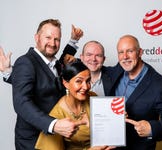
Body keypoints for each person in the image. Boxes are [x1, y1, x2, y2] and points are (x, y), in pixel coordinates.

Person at [9, 19, 86, 150]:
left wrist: (73, 42)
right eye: (48, 37)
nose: (53, 43)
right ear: (37, 37)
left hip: (56, 139)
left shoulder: (56, 64)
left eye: (57, 39)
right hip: (33, 141)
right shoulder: (25, 62)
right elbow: (21, 102)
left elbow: (62, 60)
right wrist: (53, 125)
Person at [108, 34, 162, 150]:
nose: (125, 56)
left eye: (130, 51)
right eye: (121, 52)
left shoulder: (158, 85)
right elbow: (94, 64)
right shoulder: (118, 69)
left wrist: (151, 128)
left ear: (140, 52)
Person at [35, 61, 114, 150]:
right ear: (66, 83)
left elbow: (105, 126)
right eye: (79, 81)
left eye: (88, 81)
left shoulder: (92, 96)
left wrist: (115, 117)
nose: (86, 87)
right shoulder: (57, 116)